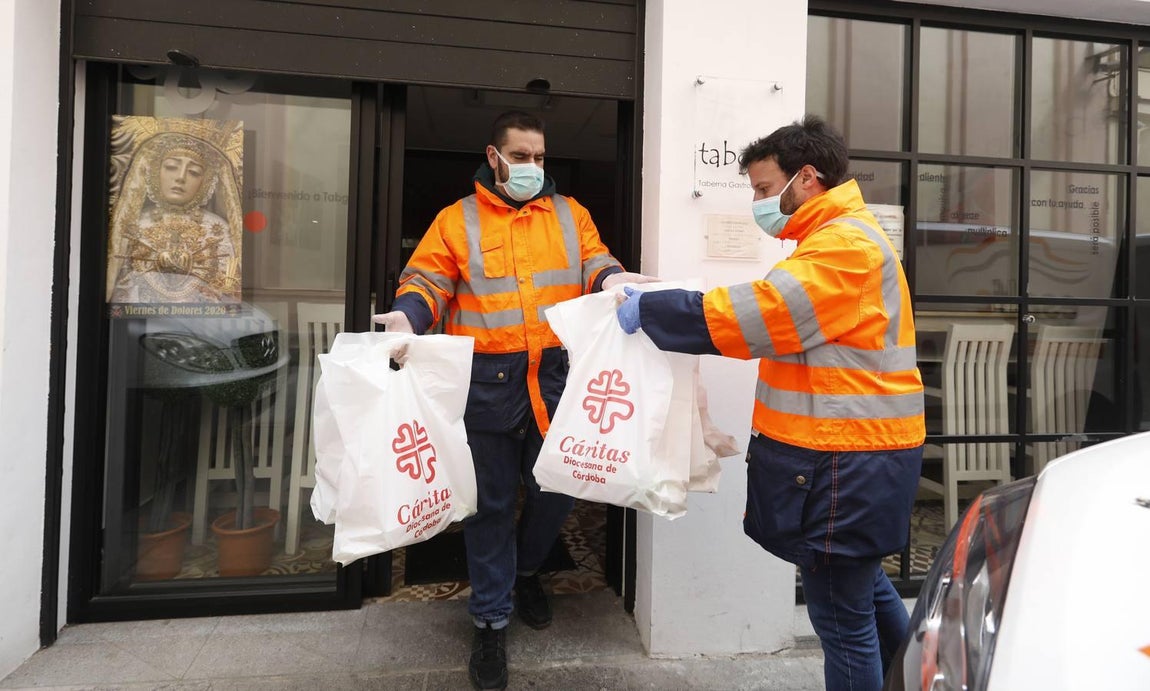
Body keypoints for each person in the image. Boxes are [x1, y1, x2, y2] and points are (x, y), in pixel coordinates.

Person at [616, 115, 925, 691]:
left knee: (840, 616)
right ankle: (915, 680)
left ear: (806, 178)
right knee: (862, 588)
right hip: (852, 456)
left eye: (763, 189)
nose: (759, 204)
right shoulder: (834, 239)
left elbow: (764, 314)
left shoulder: (846, 247)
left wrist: (658, 311)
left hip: (843, 459)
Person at [372, 111, 653, 691]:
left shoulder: (572, 216)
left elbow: (596, 261)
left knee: (560, 486)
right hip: (486, 381)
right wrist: (409, 315)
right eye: (521, 156)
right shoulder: (457, 220)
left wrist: (615, 282)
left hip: (554, 377)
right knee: (490, 505)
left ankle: (526, 569)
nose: (532, 167)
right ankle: (491, 619)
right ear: (494, 157)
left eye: (540, 157)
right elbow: (427, 279)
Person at [107, 119, 244, 306]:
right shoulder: (134, 225)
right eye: (171, 167)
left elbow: (229, 294)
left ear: (206, 181)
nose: (180, 178)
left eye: (194, 172)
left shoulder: (219, 229)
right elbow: (121, 294)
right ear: (155, 171)